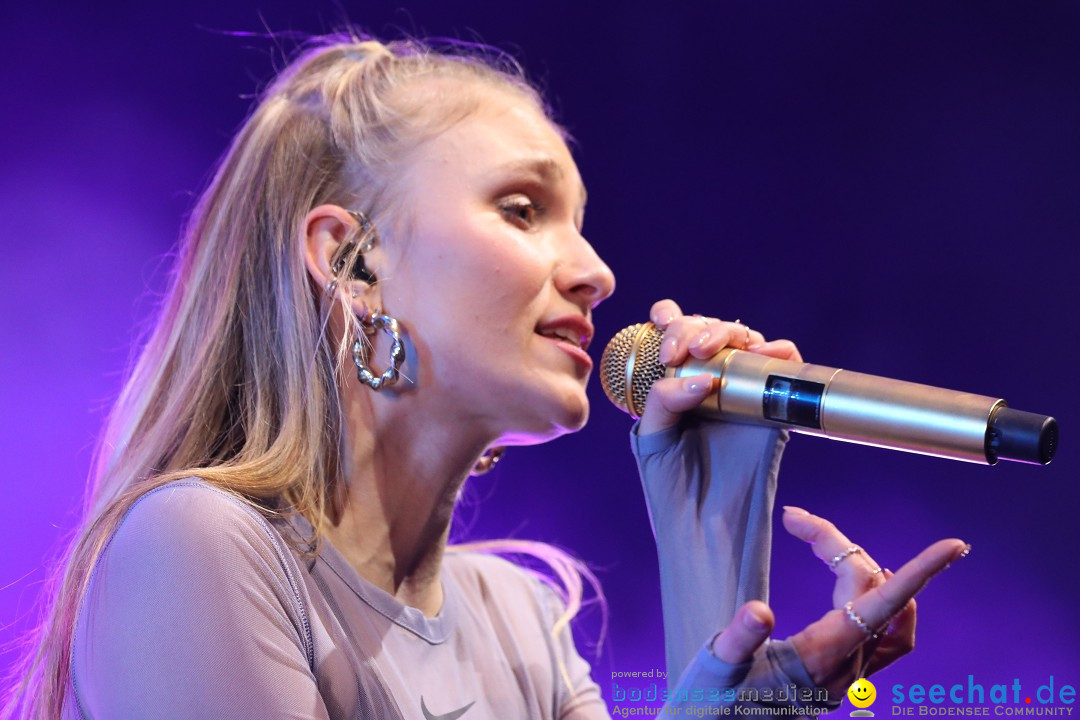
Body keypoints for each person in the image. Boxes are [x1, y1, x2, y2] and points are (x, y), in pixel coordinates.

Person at [1, 34, 968, 719]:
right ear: (354, 261)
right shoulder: (195, 547)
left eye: (578, 220)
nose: (595, 271)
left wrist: (709, 545)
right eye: (521, 208)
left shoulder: (523, 616)